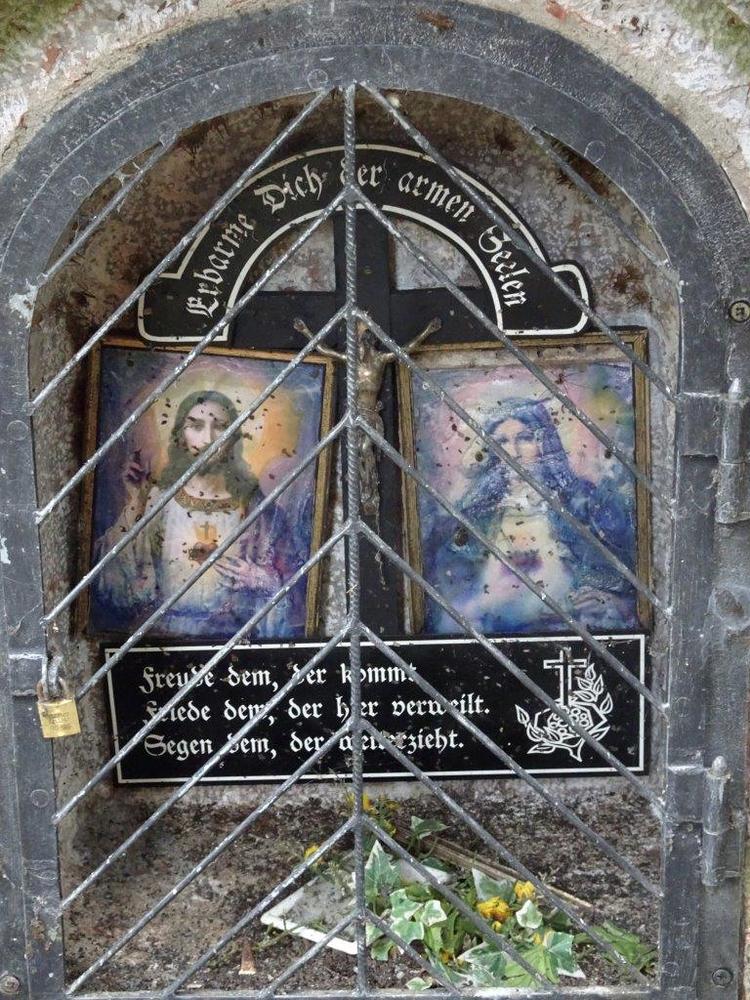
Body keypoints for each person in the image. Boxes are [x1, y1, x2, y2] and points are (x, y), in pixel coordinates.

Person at [91, 390, 303, 639]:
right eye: (196, 426)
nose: (208, 438)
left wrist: (262, 580)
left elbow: (296, 591)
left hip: (232, 641)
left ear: (233, 437)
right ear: (181, 435)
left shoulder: (258, 510)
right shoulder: (156, 500)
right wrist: (135, 500)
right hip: (164, 639)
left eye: (220, 426)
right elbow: (111, 579)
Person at [422, 397, 639, 635]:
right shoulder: (477, 515)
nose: (513, 452)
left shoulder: (582, 505)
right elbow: (446, 600)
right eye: (502, 441)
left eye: (525, 438)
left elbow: (629, 591)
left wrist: (612, 603)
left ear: (544, 443)